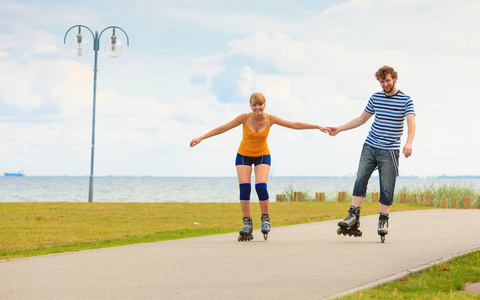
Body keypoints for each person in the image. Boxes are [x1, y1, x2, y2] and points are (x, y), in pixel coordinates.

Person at [190, 92, 327, 241]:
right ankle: (247, 223)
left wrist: (316, 126)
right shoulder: (245, 118)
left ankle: (265, 219)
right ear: (250, 105)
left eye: (260, 104)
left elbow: (293, 124)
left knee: (261, 186)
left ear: (264, 104)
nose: (257, 107)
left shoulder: (270, 119)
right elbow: (223, 128)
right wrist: (201, 138)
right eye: (254, 105)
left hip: (262, 155)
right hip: (243, 156)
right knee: (245, 188)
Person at [327, 65, 416, 242]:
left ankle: (383, 219)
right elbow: (361, 119)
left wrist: (409, 143)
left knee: (386, 186)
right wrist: (340, 129)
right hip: (370, 145)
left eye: (388, 81)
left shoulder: (406, 100)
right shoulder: (375, 98)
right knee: (360, 178)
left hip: (390, 149)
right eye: (382, 82)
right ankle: (353, 217)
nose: (385, 85)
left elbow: (411, 123)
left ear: (395, 79)